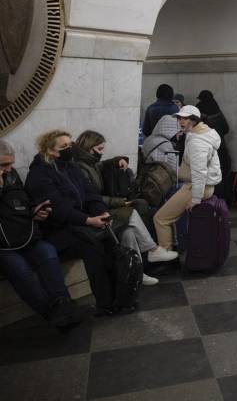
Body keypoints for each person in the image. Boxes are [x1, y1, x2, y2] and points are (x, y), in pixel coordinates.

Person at [25, 130, 121, 316]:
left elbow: (90, 193)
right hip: (55, 230)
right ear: (50, 151)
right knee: (91, 244)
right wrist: (88, 220)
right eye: (64, 147)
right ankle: (105, 303)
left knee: (109, 238)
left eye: (71, 145)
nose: (70, 149)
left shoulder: (71, 167)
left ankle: (119, 294)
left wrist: (101, 212)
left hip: (77, 223)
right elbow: (57, 208)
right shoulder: (39, 174)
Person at [0, 140, 82, 329]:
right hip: (3, 246)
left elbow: (21, 205)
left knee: (47, 252)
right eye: (4, 165)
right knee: (19, 268)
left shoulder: (13, 177)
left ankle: (64, 306)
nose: (9, 168)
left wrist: (34, 212)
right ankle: (52, 313)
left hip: (24, 235)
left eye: (10, 163)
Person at [73, 130, 161, 286]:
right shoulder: (80, 168)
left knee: (128, 232)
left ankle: (137, 273)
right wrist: (120, 202)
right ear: (89, 147)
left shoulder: (89, 162)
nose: (101, 152)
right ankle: (153, 250)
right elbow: (91, 198)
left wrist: (118, 160)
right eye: (99, 149)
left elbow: (101, 165)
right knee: (132, 212)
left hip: (100, 207)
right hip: (93, 213)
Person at [151, 105, 222, 256]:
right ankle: (172, 248)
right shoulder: (201, 132)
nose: (181, 121)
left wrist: (196, 199)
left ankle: (165, 254)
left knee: (160, 218)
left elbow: (199, 173)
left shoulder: (198, 142)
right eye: (179, 118)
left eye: (185, 118)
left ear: (194, 120)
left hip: (197, 187)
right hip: (198, 186)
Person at [196, 90, 231, 182]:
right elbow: (226, 128)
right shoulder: (216, 108)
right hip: (220, 145)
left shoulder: (199, 109)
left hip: (205, 147)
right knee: (221, 170)